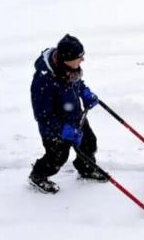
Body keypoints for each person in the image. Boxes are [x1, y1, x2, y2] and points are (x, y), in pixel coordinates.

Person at [29, 34, 108, 194]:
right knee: (57, 157)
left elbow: (77, 83)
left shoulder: (69, 68)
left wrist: (85, 93)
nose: (83, 60)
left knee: (89, 142)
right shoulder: (43, 81)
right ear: (66, 58)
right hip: (54, 128)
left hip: (75, 117)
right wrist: (62, 130)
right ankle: (38, 175)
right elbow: (42, 115)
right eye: (79, 57)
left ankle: (86, 168)